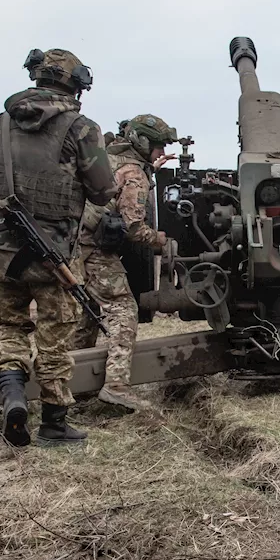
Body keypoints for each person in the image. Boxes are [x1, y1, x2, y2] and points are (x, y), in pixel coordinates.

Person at [0, 48, 116, 447]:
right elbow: (103, 191)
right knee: (55, 338)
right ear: (76, 85)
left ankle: (14, 395)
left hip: (0, 247)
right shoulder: (82, 128)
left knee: (9, 327)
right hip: (52, 252)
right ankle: (54, 423)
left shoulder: (1, 121)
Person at [72, 114, 177, 411]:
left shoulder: (111, 158)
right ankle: (116, 385)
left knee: (89, 312)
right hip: (94, 250)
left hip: (74, 246)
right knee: (122, 308)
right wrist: (160, 239)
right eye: (157, 146)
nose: (160, 151)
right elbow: (133, 227)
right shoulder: (133, 173)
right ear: (142, 142)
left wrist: (150, 170)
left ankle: (68, 384)